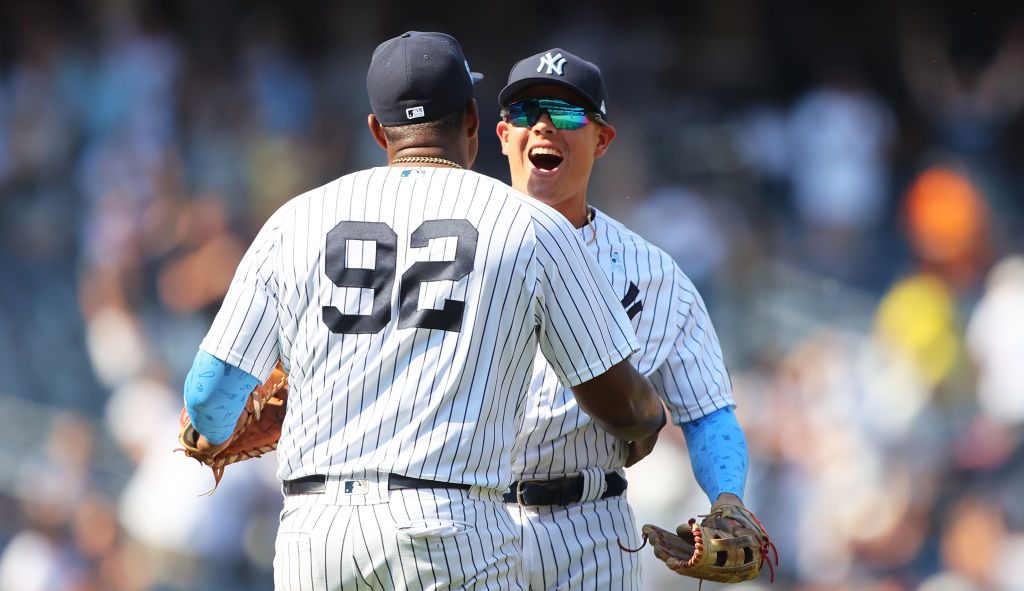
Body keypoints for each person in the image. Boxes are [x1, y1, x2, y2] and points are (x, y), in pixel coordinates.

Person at [181, 32, 667, 591]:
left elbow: (207, 398)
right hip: (449, 533)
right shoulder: (530, 226)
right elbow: (622, 404)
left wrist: (216, 429)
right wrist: (648, 418)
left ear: (376, 130)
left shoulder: (295, 221)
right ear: (472, 121)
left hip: (316, 536)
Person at [495, 48, 751, 589]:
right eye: (526, 112)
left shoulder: (655, 275)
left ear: (603, 140)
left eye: (567, 114)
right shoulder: (454, 248)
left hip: (593, 529)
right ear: (502, 135)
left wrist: (727, 498)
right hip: (471, 518)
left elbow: (707, 411)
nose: (543, 124)